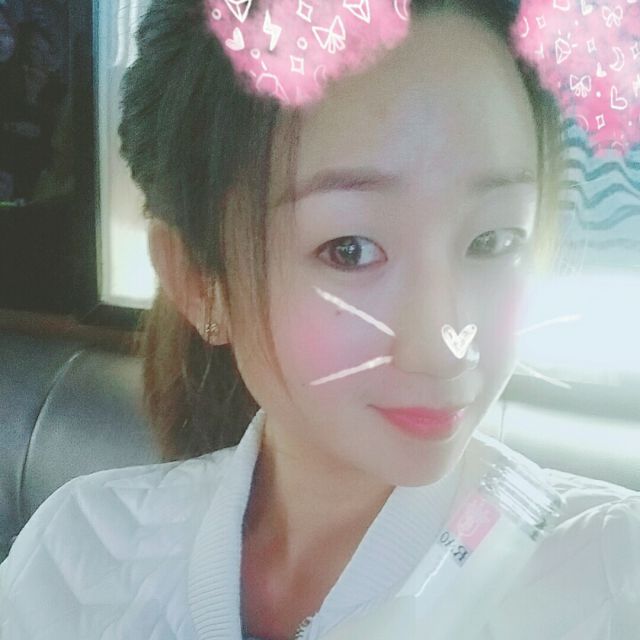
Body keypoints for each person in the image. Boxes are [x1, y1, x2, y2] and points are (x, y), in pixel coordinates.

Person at [1, 1, 639, 639]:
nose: (444, 348)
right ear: (199, 282)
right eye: (349, 250)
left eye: (493, 241)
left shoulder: (611, 575)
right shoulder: (77, 553)